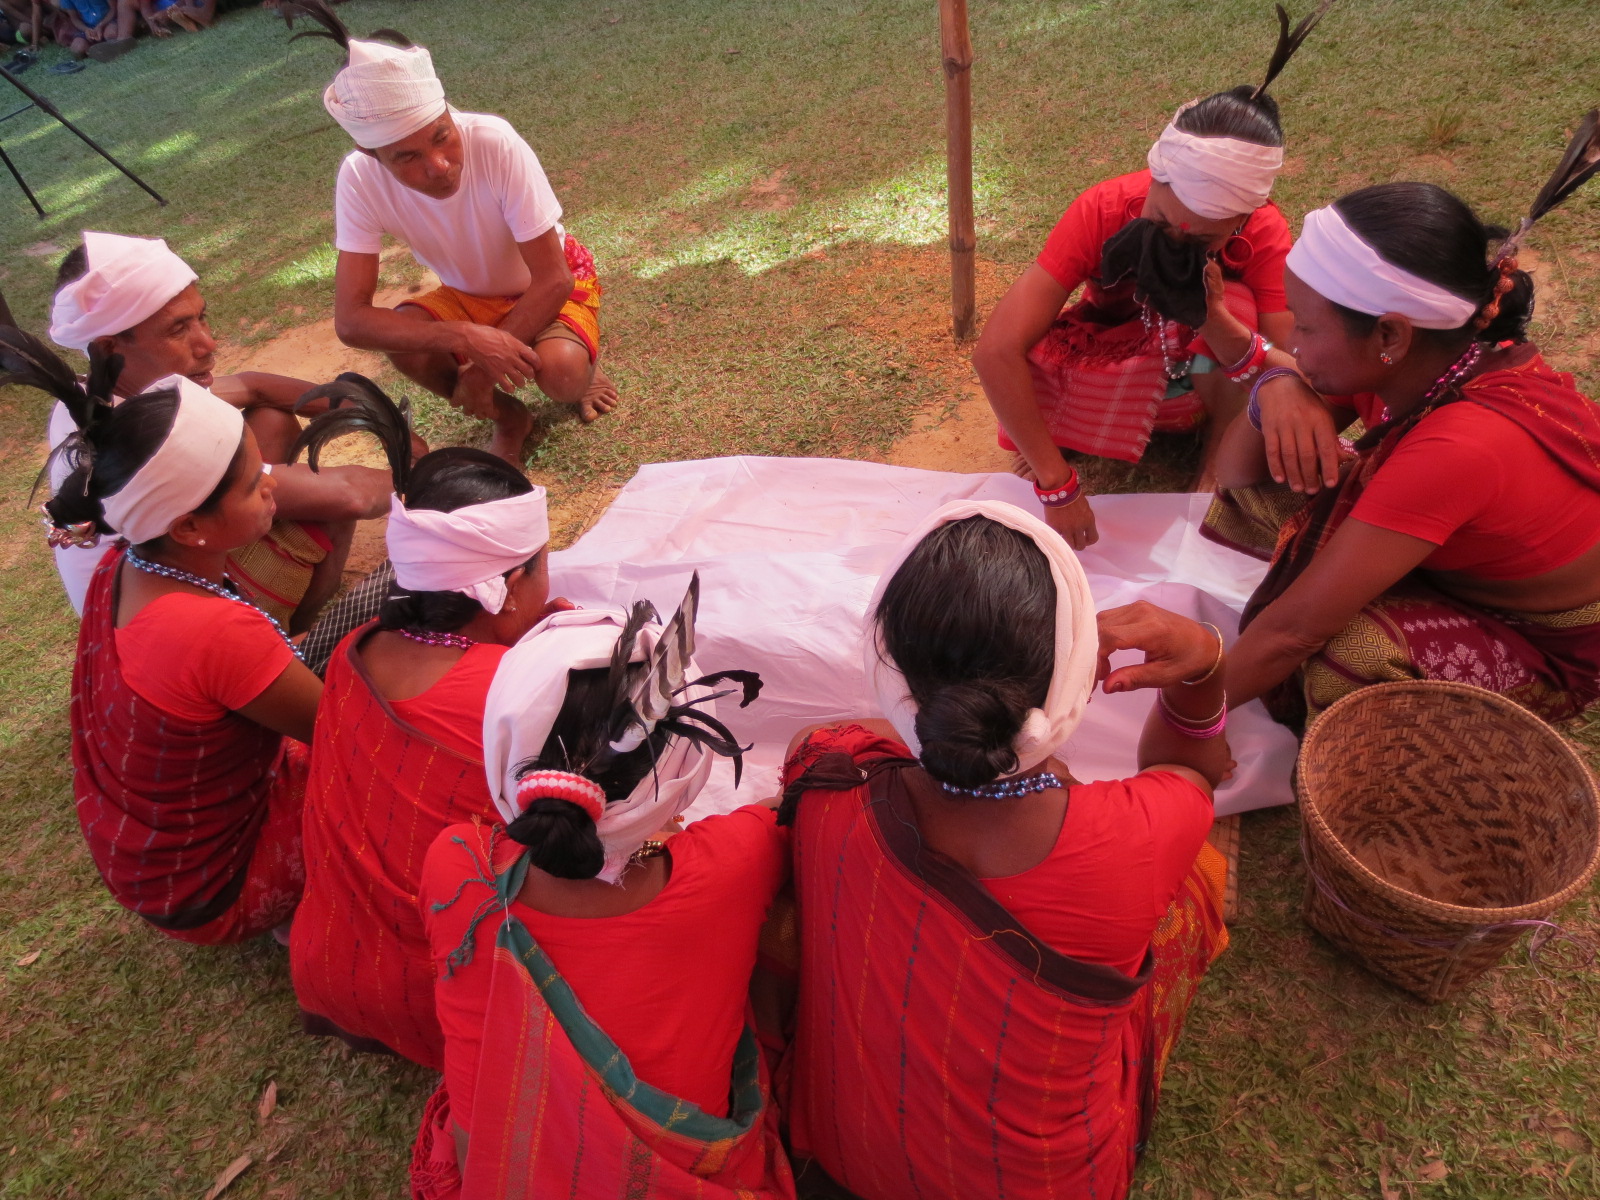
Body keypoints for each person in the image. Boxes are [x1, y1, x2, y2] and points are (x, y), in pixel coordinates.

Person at [779, 502, 1231, 1200]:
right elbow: (1194, 772)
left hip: (837, 1167)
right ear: (1076, 673)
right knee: (1197, 874)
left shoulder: (828, 773)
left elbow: (870, 735)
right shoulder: (1135, 836)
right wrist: (1204, 665)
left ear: (892, 668)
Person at [1203, 112, 1600, 727]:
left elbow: (1292, 633)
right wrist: (1276, 386)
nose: (1294, 342)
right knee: (1278, 494)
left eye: (1305, 327)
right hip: (1458, 573)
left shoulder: (1459, 444)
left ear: (1389, 332)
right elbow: (1238, 480)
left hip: (1547, 644)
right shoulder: (1416, 366)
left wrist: (1181, 719)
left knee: (1347, 653)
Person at [411, 587, 794, 1199]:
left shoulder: (456, 867)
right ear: (685, 773)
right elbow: (803, 784)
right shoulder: (735, 861)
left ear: (506, 746)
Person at [972, 3, 1335, 551]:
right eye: (1162, 221)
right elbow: (995, 349)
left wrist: (1213, 318)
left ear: (1240, 219)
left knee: (1236, 305)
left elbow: (1293, 362)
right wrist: (1058, 487)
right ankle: (1059, 444)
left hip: (1191, 373)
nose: (1173, 243)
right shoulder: (1104, 207)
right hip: (1114, 353)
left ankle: (1208, 478)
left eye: (1200, 240)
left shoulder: (1262, 233)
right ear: (1155, 175)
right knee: (1029, 341)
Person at [9, 331, 323, 944]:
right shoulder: (212, 631)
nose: (272, 482)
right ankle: (306, 895)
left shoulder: (124, 565)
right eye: (251, 478)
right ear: (187, 526)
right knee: (402, 750)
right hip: (217, 889)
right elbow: (343, 726)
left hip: (156, 872)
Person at [290, 379, 568, 1068]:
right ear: (504, 592)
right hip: (445, 1008)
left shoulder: (358, 652)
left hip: (332, 970)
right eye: (540, 567)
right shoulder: (515, 697)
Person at [283, 2, 617, 465]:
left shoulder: (492, 140)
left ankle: (587, 366)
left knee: (563, 377)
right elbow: (352, 321)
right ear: (369, 150)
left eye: (442, 136)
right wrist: (467, 337)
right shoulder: (358, 177)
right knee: (405, 342)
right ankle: (509, 418)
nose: (438, 167)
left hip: (545, 286)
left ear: (447, 113)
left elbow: (554, 279)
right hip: (464, 296)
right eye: (406, 157)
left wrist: (480, 369)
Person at [47, 231, 395, 628]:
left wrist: (381, 420)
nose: (208, 344)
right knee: (327, 508)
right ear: (110, 348)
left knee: (271, 418)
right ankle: (294, 637)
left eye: (202, 317)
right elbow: (351, 497)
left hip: (157, 574)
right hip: (166, 623)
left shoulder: (91, 394)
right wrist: (436, 477)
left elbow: (251, 385)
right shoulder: (154, 438)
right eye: (179, 330)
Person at [51, 0, 136, 60]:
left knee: (111, 34)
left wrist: (101, 25)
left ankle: (110, 46)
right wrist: (86, 30)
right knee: (77, 48)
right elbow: (74, 18)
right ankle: (96, 50)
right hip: (87, 26)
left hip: (108, 21)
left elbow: (113, 9)